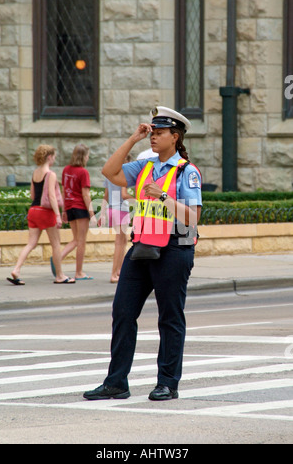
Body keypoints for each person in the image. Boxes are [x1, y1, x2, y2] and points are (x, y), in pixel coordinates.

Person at [83, 106, 202, 402]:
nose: (154, 137)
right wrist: (133, 139)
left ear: (175, 137)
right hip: (143, 246)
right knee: (122, 312)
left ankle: (167, 383)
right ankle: (116, 382)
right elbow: (109, 171)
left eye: (159, 133)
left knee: (169, 318)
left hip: (175, 249)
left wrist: (162, 196)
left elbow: (193, 218)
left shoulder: (187, 172)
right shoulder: (144, 167)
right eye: (152, 132)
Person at [7, 144, 75, 286]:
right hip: (46, 212)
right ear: (49, 157)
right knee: (56, 245)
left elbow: (33, 195)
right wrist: (57, 215)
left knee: (31, 243)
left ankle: (16, 269)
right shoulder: (50, 174)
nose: (54, 160)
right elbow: (51, 195)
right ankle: (60, 275)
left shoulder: (35, 173)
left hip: (33, 211)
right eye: (54, 157)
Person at [52, 144, 96, 280]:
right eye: (87, 155)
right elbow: (85, 195)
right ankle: (79, 272)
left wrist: (64, 210)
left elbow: (64, 191)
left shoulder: (66, 169)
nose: (88, 158)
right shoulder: (83, 172)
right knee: (81, 241)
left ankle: (57, 258)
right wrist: (92, 214)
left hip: (70, 207)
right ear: (83, 156)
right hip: (81, 209)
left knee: (76, 239)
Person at [99, 156, 133, 283]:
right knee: (120, 242)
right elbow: (124, 195)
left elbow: (105, 196)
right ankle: (114, 274)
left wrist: (102, 213)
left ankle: (119, 270)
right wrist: (138, 201)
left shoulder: (110, 175)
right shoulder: (123, 175)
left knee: (122, 241)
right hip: (121, 210)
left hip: (111, 209)